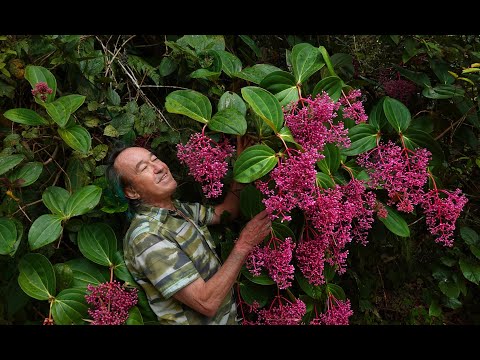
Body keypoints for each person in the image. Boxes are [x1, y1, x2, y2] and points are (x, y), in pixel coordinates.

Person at [106, 139, 271, 325]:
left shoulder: (179, 210)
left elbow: (226, 212)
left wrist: (245, 164)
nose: (159, 167)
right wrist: (244, 245)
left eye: (155, 159)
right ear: (131, 192)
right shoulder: (147, 237)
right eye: (144, 168)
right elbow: (206, 302)